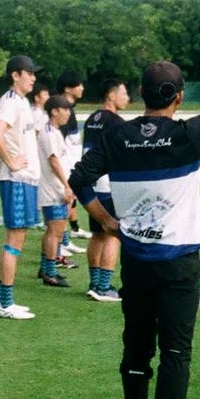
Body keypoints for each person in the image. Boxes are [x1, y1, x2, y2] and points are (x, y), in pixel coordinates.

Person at [69, 60, 200, 399]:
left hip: (138, 262)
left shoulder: (116, 136)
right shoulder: (189, 134)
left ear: (143, 95)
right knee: (176, 351)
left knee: (137, 346)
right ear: (178, 97)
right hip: (179, 263)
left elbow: (79, 179)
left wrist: (107, 221)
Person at [0, 55, 41, 320]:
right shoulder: (9, 102)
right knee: (14, 238)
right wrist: (11, 163)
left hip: (26, 178)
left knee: (18, 238)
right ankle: (4, 303)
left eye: (34, 73)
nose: (33, 77)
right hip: (17, 179)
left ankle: (3, 299)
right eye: (29, 73)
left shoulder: (22, 102)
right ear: (15, 75)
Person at [82, 78, 130, 302]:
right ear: (111, 96)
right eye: (124, 93)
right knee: (113, 234)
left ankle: (94, 283)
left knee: (98, 235)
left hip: (92, 186)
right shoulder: (117, 122)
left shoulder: (92, 119)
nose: (127, 97)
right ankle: (103, 286)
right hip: (109, 186)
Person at [36, 94, 75, 288]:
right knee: (55, 231)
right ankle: (49, 273)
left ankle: (45, 267)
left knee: (54, 231)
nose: (68, 113)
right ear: (54, 111)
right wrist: (66, 186)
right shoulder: (49, 132)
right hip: (53, 189)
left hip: (56, 188)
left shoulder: (54, 131)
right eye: (65, 109)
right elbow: (53, 161)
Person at [55, 70, 90, 245]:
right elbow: (58, 143)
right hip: (64, 167)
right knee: (63, 206)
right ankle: (61, 246)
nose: (82, 88)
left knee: (70, 202)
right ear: (68, 89)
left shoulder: (69, 109)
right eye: (79, 85)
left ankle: (68, 237)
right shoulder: (63, 112)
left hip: (71, 166)